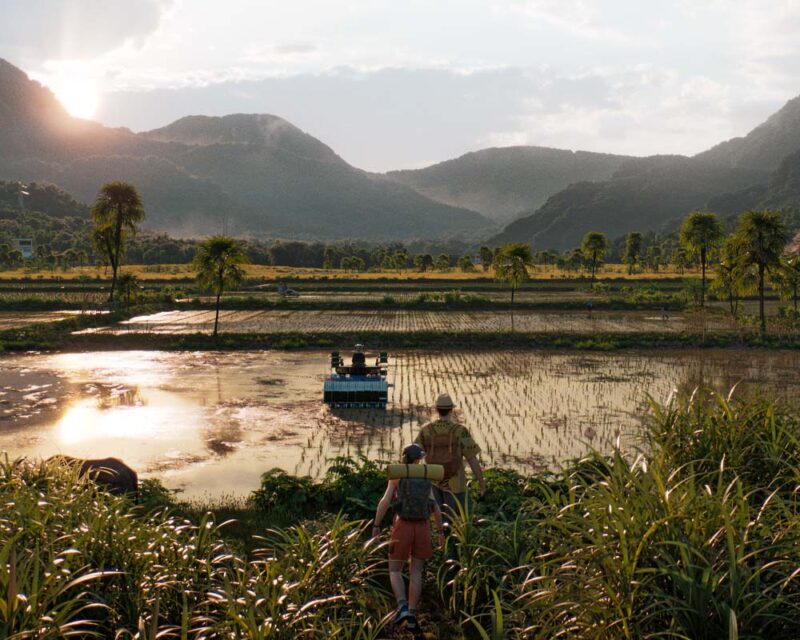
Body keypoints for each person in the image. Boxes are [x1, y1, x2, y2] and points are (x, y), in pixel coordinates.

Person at [372, 443, 444, 631]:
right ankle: (412, 615)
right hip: (422, 527)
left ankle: (402, 606)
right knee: (416, 572)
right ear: (418, 459)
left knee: (395, 569)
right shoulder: (426, 476)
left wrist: (376, 525)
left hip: (402, 525)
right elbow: (435, 507)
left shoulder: (397, 476)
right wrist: (441, 532)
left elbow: (385, 501)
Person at [415, 393, 486, 531]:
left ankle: (442, 547)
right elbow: (472, 460)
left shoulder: (426, 431)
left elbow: (414, 457)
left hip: (434, 483)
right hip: (456, 484)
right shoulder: (460, 431)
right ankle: (457, 548)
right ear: (451, 410)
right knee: (465, 520)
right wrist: (481, 483)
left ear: (436, 410)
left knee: (438, 521)